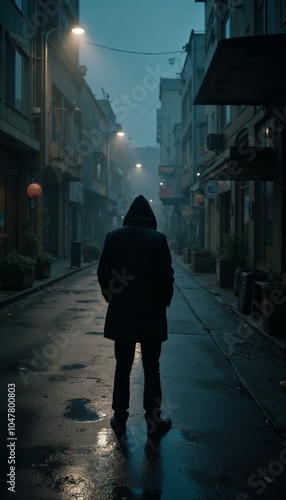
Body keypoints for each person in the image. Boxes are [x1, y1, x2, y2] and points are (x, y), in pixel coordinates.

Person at [97, 195, 174, 437]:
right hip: (151, 313)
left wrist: (111, 296)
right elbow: (165, 277)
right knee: (152, 368)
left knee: (123, 367)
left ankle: (120, 419)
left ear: (128, 216)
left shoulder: (113, 237)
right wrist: (162, 302)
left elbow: (103, 271)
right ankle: (153, 419)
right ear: (150, 218)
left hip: (122, 313)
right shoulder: (158, 239)